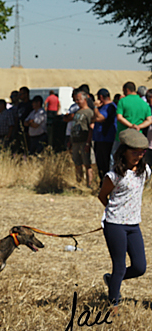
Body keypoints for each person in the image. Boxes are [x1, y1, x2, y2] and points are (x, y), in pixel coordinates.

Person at [98, 128, 150, 314]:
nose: (138, 155)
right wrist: (113, 213)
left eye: (141, 152)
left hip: (134, 225)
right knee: (119, 265)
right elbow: (103, 195)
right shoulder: (114, 175)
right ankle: (114, 304)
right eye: (134, 152)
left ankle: (112, 281)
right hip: (115, 225)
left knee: (139, 267)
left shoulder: (145, 171)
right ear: (124, 151)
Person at [92, 88, 117, 187]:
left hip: (106, 139)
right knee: (100, 163)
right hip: (99, 139)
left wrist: (95, 108)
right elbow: (94, 118)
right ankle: (102, 184)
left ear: (101, 97)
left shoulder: (110, 107)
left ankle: (107, 185)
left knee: (105, 163)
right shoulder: (102, 107)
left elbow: (101, 118)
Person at [70, 91, 94, 187]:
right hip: (75, 141)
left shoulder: (89, 112)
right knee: (77, 163)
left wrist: (88, 143)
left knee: (87, 163)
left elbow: (91, 128)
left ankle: (89, 184)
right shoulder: (77, 112)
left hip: (84, 141)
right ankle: (79, 183)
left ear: (85, 100)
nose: (77, 101)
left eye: (79, 99)